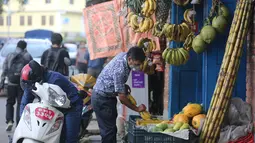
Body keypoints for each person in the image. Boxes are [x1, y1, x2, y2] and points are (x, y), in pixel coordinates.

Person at [91, 47, 147, 143]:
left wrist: (122, 86)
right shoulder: (120, 69)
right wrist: (136, 108)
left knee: (110, 130)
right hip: (102, 99)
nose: (138, 67)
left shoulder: (123, 55)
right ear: (130, 59)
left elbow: (112, 77)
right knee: (109, 132)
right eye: (137, 64)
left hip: (106, 96)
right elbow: (122, 98)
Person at [19, 60, 83, 143]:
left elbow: (63, 100)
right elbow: (25, 102)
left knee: (69, 138)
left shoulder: (55, 80)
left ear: (37, 78)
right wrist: (22, 122)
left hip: (71, 106)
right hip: (51, 105)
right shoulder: (31, 83)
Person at [0, 40, 33, 131]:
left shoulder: (10, 55)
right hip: (22, 84)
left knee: (10, 102)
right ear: (25, 47)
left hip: (11, 83)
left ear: (17, 47)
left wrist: (2, 83)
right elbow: (31, 71)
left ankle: (9, 121)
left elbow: (5, 69)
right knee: (20, 103)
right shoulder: (28, 56)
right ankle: (19, 123)